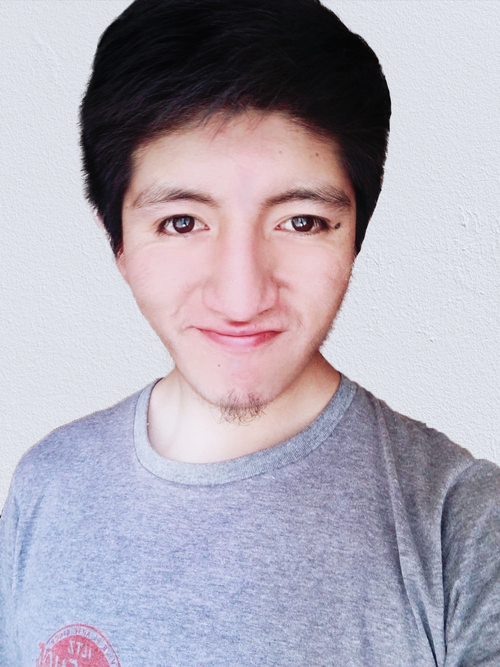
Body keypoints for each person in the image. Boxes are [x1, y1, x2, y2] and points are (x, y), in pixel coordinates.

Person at [1, 0, 499, 664]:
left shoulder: (463, 526)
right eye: (182, 222)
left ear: (355, 235)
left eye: (301, 221)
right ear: (116, 239)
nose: (242, 298)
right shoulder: (46, 485)